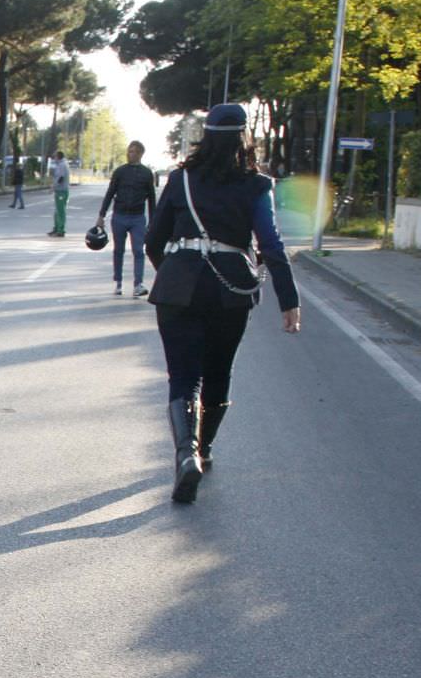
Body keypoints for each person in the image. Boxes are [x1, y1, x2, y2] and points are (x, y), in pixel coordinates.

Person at [143, 103, 303, 504]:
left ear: (207, 135)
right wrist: (289, 300)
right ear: (244, 137)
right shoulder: (257, 185)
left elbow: (152, 241)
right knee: (218, 372)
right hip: (230, 287)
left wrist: (174, 273)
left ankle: (186, 456)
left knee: (183, 376)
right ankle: (205, 448)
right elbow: (271, 245)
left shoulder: (180, 179)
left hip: (178, 285)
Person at [97, 140, 157, 297]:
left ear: (141, 154)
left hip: (137, 218)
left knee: (138, 251)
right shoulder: (120, 172)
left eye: (136, 152)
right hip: (119, 216)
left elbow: (151, 198)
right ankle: (118, 282)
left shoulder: (146, 173)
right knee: (119, 250)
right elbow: (110, 193)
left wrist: (153, 221)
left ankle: (138, 284)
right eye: (130, 151)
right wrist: (101, 215)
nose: (132, 154)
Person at [47, 150, 70, 236]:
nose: (54, 159)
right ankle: (56, 228)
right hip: (60, 191)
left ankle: (61, 230)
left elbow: (60, 178)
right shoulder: (61, 164)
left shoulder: (62, 165)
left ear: (58, 157)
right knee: (57, 211)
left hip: (61, 191)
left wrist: (53, 187)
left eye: (55, 157)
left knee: (60, 211)